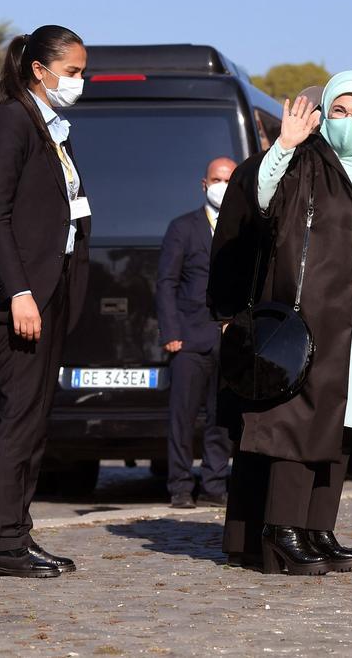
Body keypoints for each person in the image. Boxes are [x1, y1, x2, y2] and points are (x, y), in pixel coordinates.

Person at [209, 70, 352, 575]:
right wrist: (283, 145)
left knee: (344, 423)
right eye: (339, 110)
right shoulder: (301, 165)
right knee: (297, 423)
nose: (348, 122)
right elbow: (257, 204)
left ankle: (318, 526)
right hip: (310, 319)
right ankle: (281, 529)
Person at [0, 25, 91, 579]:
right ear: (40, 69)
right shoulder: (11, 118)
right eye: (73, 72)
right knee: (16, 421)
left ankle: (17, 534)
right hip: (20, 298)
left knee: (34, 421)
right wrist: (20, 293)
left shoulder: (54, 128)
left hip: (50, 291)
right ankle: (3, 545)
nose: (80, 82)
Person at [157, 157, 236, 509]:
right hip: (188, 338)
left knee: (221, 419)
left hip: (229, 340)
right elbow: (167, 282)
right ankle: (179, 486)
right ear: (204, 184)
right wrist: (171, 332)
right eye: (217, 179)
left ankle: (215, 484)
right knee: (183, 418)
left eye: (229, 181)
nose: (222, 186)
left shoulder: (243, 229)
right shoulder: (182, 227)